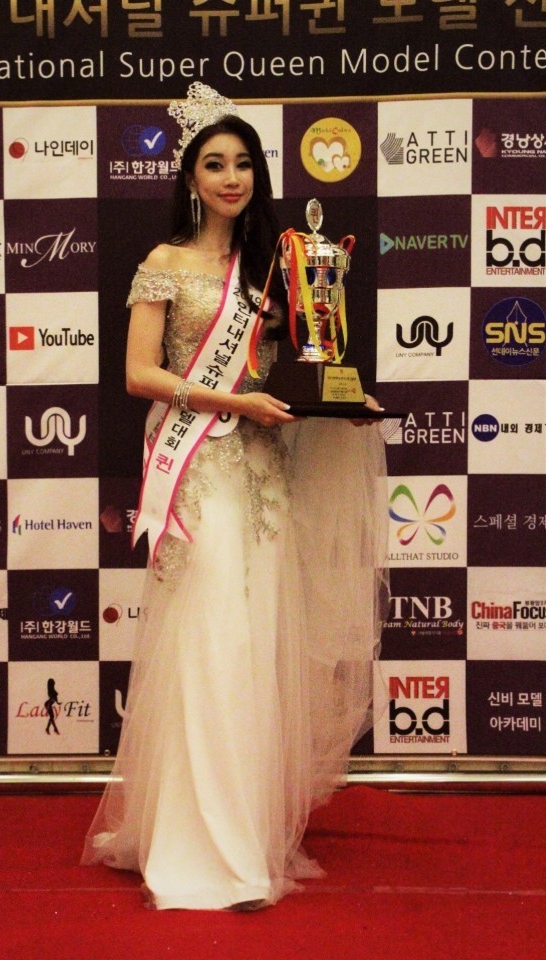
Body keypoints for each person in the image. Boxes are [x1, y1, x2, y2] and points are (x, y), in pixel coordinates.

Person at [82, 83, 389, 911]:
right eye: (214, 163)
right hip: (199, 471)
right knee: (210, 642)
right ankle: (197, 847)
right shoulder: (165, 262)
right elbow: (138, 374)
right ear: (190, 176)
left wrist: (340, 395)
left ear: (258, 173)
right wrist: (233, 402)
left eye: (243, 163)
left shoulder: (275, 266)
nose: (230, 177)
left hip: (263, 471)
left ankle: (243, 836)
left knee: (255, 647)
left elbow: (302, 360)